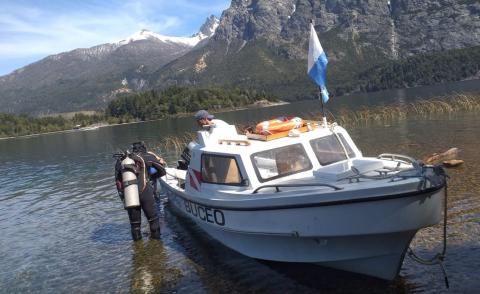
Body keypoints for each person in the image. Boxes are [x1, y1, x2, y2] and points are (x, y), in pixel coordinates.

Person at [114, 142, 166, 241]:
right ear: (143, 148)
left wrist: (123, 198)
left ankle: (137, 247)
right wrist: (150, 177)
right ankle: (157, 245)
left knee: (135, 225)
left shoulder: (121, 160)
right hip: (145, 192)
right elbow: (162, 171)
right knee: (153, 220)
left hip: (129, 195)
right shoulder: (147, 156)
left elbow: (118, 182)